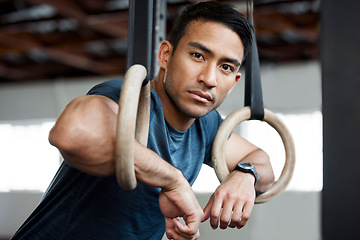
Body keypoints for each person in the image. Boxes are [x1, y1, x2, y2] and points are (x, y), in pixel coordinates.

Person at [11, 1, 274, 240]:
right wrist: (173, 180)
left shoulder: (207, 125)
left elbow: (262, 163)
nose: (210, 78)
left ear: (235, 82)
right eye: (198, 56)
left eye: (226, 67)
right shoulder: (126, 99)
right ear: (165, 55)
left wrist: (244, 174)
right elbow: (71, 133)